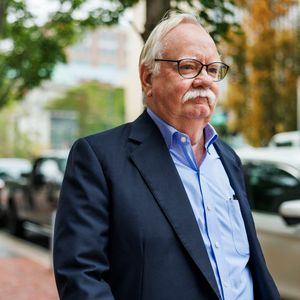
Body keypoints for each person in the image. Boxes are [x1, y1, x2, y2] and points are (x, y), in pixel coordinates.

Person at [53, 12, 280, 300]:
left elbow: (245, 267)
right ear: (148, 78)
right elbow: (81, 276)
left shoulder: (228, 159)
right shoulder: (99, 158)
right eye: (188, 67)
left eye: (212, 70)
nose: (204, 80)